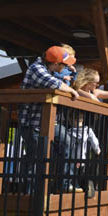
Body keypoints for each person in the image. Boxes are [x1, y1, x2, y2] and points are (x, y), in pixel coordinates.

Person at [19, 46, 79, 193]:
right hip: (32, 123)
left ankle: (64, 185)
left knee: (68, 143)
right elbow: (51, 82)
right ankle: (32, 197)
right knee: (37, 160)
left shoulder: (50, 69)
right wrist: (71, 90)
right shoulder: (36, 68)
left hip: (49, 122)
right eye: (64, 64)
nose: (66, 67)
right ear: (56, 63)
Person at [68, 112, 101, 198]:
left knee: (75, 176)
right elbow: (94, 141)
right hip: (81, 158)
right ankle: (85, 186)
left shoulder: (69, 131)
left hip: (72, 158)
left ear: (70, 120)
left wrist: (97, 149)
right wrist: (97, 149)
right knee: (81, 175)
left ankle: (80, 187)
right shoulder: (87, 130)